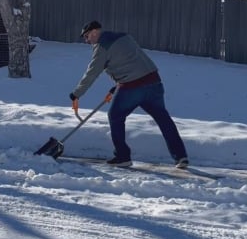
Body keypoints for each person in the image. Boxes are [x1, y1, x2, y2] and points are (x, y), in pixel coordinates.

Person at [69, 20, 189, 168]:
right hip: (154, 82)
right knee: (163, 119)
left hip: (132, 87)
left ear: (94, 32)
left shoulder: (102, 47)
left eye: (87, 37)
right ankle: (181, 156)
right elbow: (131, 60)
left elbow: (92, 73)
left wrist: (76, 94)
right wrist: (119, 83)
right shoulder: (124, 36)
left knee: (115, 116)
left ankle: (122, 156)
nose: (87, 41)